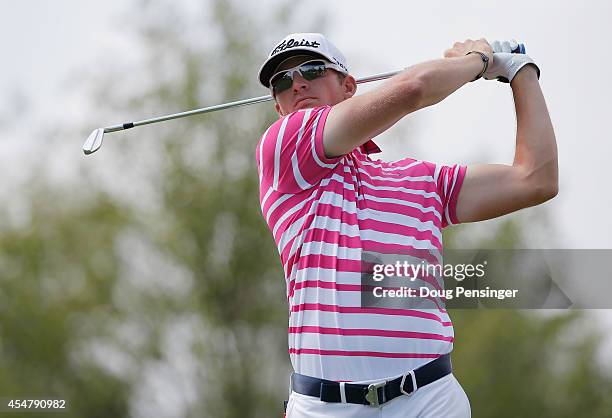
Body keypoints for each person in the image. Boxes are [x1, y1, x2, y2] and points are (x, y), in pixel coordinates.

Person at [255, 33, 558, 418]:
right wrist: (477, 60)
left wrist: (520, 71)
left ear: (349, 87)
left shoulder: (419, 179)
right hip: (326, 406)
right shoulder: (283, 152)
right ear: (279, 107)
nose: (297, 83)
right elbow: (414, 88)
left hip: (429, 398)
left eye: (312, 70)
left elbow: (535, 179)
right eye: (281, 81)